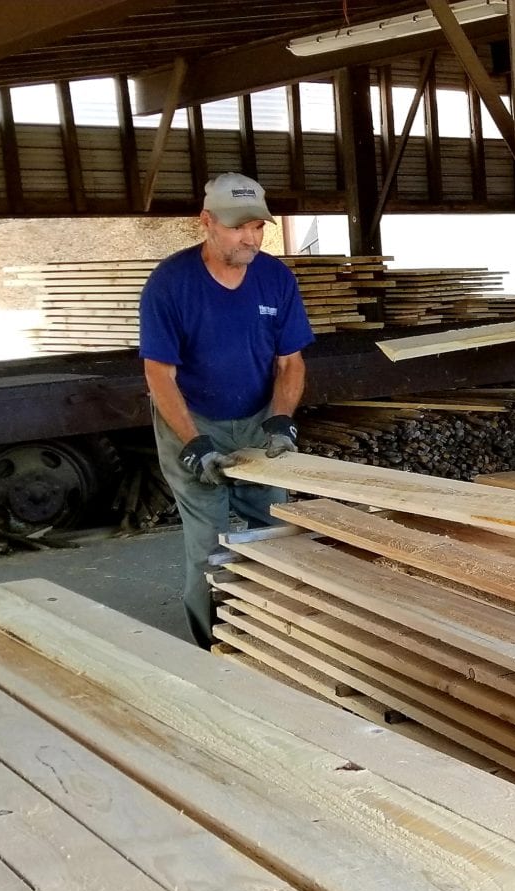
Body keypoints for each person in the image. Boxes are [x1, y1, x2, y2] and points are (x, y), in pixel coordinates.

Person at [140, 173, 312, 647]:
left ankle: (277, 640)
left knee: (275, 529)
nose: (250, 238)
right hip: (192, 420)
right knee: (209, 544)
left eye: (258, 227)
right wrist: (194, 443)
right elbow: (160, 376)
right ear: (207, 222)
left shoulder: (276, 279)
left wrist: (281, 420)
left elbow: (290, 362)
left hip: (257, 417)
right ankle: (209, 645)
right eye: (239, 228)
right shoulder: (171, 284)